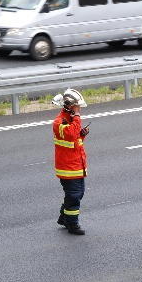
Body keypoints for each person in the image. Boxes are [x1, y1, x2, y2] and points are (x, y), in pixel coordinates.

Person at [52, 88, 89, 235]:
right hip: (68, 168)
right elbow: (70, 134)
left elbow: (74, 140)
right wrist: (77, 118)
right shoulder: (59, 122)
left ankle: (64, 217)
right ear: (69, 106)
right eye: (77, 107)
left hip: (76, 165)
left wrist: (82, 135)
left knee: (76, 194)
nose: (79, 110)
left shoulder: (71, 121)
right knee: (74, 195)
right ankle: (72, 224)